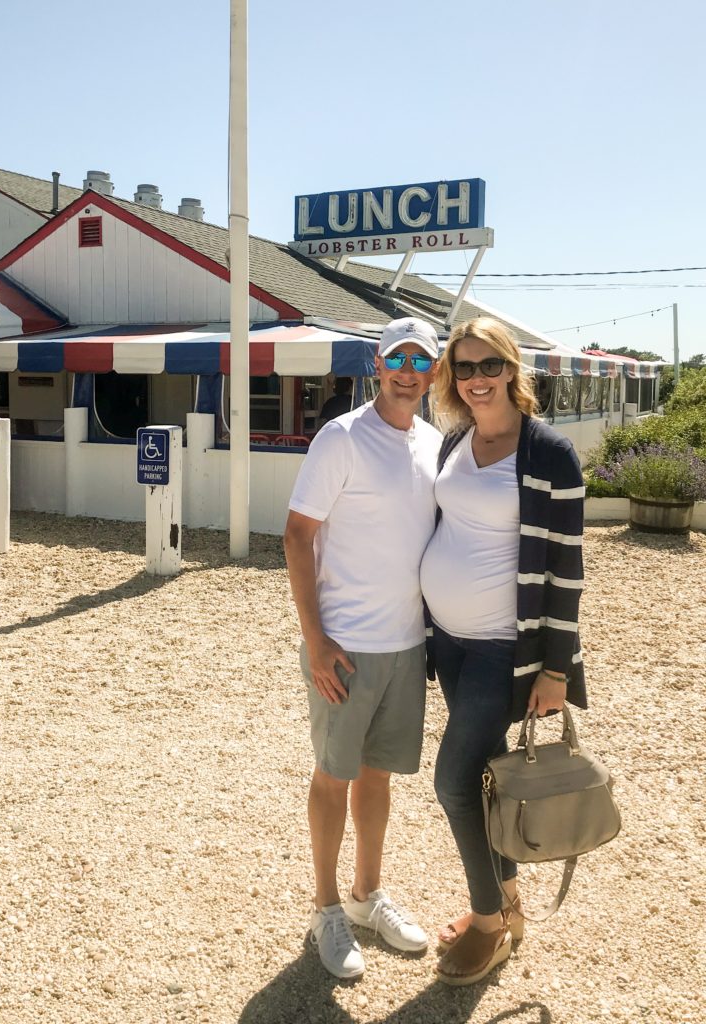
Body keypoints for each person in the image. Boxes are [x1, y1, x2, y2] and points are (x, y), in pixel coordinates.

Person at [420, 317, 587, 986]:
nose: (477, 378)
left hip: (502, 651)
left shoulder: (549, 453)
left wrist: (555, 668)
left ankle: (488, 926)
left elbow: (566, 571)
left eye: (489, 365)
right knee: (487, 779)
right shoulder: (455, 440)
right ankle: (506, 903)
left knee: (454, 781)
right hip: (450, 646)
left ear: (512, 368)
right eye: (464, 368)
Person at [283, 317, 442, 979]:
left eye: (421, 360)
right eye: (397, 357)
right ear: (378, 365)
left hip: (407, 647)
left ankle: (366, 896)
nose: (408, 370)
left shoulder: (436, 444)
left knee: (377, 778)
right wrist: (316, 642)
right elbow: (296, 535)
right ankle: (325, 909)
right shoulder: (341, 437)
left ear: (432, 372)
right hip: (345, 648)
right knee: (333, 777)